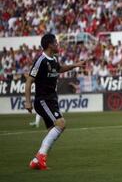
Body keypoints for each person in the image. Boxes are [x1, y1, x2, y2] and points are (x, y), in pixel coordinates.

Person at [25, 33, 86, 170]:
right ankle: (40, 157)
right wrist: (27, 101)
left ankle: (37, 161)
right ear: (49, 45)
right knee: (61, 124)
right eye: (56, 43)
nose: (58, 45)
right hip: (43, 100)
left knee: (53, 130)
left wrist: (75, 65)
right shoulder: (40, 61)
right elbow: (29, 81)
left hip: (52, 100)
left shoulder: (53, 59)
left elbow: (59, 69)